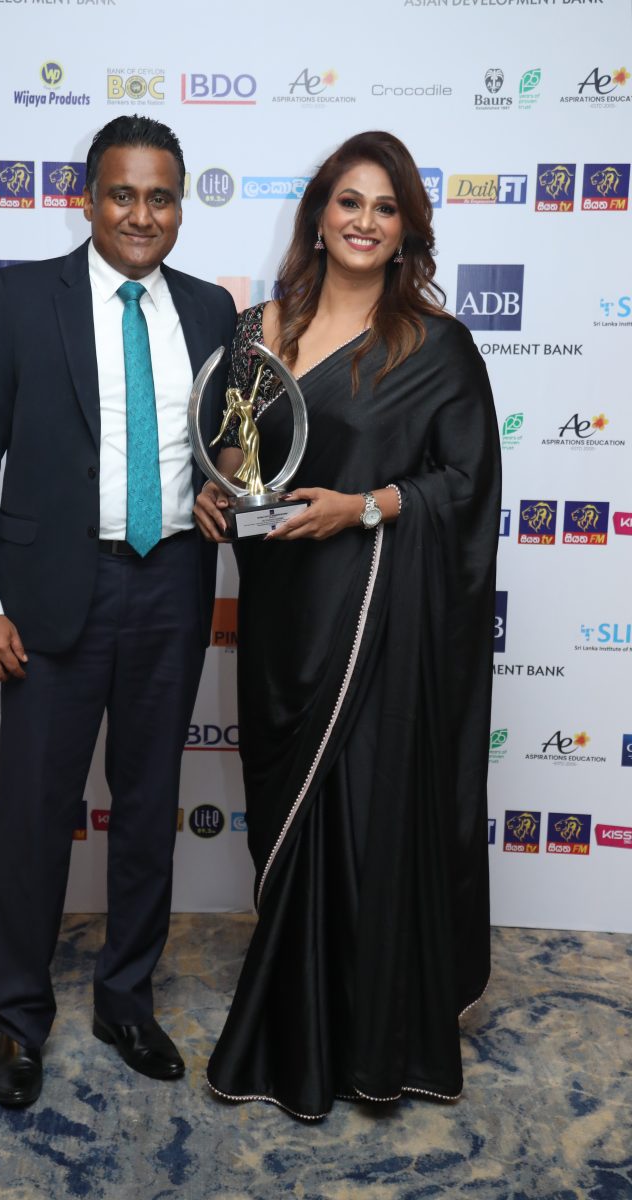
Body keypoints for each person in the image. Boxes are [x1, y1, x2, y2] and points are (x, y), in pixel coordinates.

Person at [194, 130, 501, 1119]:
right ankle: (297, 1009)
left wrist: (362, 507)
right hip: (280, 615)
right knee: (288, 816)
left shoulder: (435, 346)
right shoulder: (259, 330)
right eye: (349, 201)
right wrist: (215, 492)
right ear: (319, 216)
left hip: (374, 619)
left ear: (406, 229)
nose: (365, 221)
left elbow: (465, 483)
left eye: (385, 207)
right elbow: (234, 453)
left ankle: (367, 1040)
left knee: (361, 819)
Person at [0, 115, 237, 1107]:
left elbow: (221, 445)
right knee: (36, 813)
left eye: (160, 197)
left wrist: (223, 487)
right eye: (122, 194)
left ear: (179, 206)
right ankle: (19, 1015)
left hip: (172, 582)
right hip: (49, 594)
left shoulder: (210, 310)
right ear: (87, 198)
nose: (140, 214)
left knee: (149, 808)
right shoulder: (26, 297)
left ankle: (125, 999)